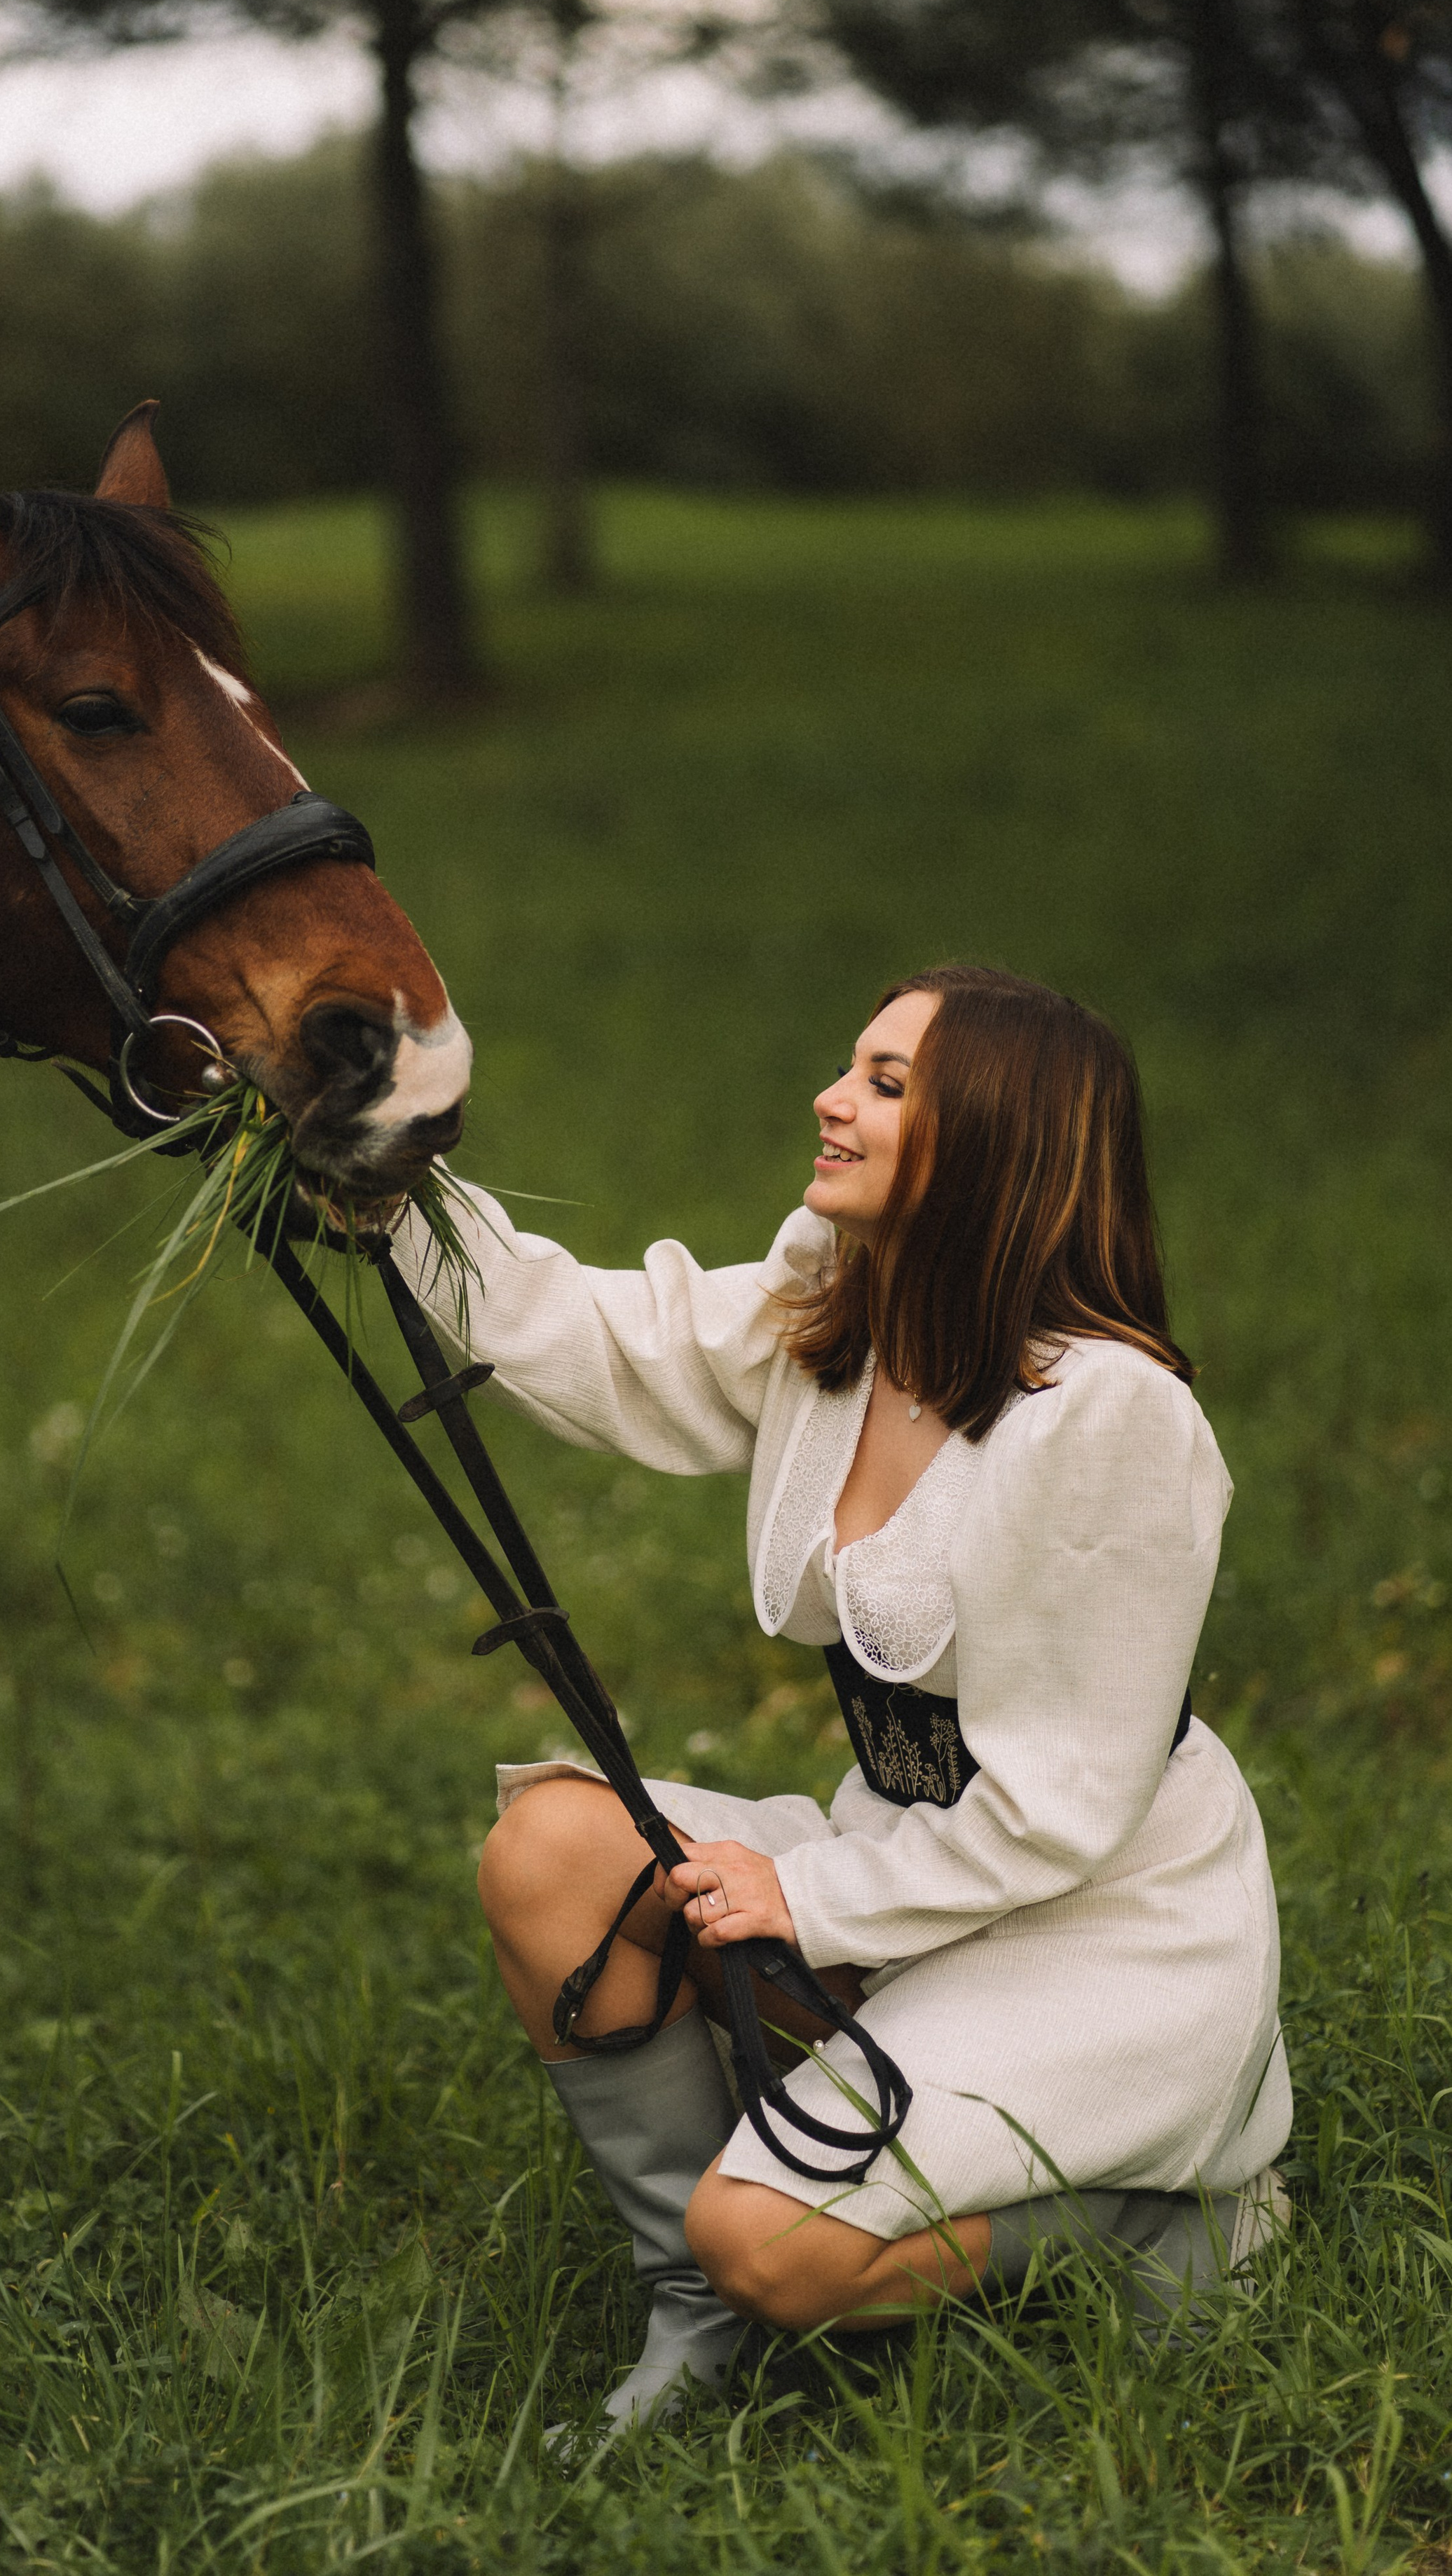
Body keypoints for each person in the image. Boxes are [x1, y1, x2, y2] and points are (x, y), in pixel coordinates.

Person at [395, 964, 1291, 2435]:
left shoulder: (1108, 1417)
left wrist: (805, 1906)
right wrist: (386, 1195)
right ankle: (697, 2323)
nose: (830, 1096)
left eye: (885, 1082)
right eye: (850, 1066)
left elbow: (1061, 1811)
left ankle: (1153, 2216)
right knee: (548, 1855)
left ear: (996, 1141)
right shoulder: (842, 1327)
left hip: (1096, 1926)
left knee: (773, 2239)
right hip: (903, 1856)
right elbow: (621, 1341)